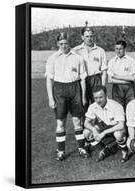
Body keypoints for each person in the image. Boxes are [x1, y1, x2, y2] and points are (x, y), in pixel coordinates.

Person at [45, 32, 88, 161]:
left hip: (75, 89)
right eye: (61, 43)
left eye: (66, 43)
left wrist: (84, 96)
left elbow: (83, 79)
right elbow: (49, 80)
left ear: (70, 43)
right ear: (58, 44)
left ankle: (81, 148)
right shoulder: (52, 58)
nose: (64, 46)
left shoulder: (78, 57)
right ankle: (61, 151)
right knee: (60, 122)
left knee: (77, 121)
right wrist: (51, 98)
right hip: (59, 90)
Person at [83, 85, 128, 163]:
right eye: (96, 98)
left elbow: (121, 125)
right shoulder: (93, 106)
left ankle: (125, 151)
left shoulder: (116, 106)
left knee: (118, 134)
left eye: (101, 97)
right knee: (86, 132)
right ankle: (104, 148)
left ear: (106, 96)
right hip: (104, 125)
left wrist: (103, 133)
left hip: (116, 127)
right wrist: (94, 130)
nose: (98, 100)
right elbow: (86, 123)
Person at [73, 27, 107, 109]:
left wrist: (102, 87)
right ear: (82, 37)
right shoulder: (76, 51)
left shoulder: (100, 51)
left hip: (96, 80)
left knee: (98, 106)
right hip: (81, 81)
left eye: (91, 36)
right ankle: (85, 122)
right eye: (87, 36)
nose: (89, 39)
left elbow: (104, 70)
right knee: (82, 105)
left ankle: (99, 122)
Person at [107, 40, 135, 109]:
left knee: (131, 108)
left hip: (129, 88)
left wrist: (117, 76)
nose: (118, 51)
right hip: (117, 88)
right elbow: (110, 80)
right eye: (116, 49)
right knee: (118, 109)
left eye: (120, 49)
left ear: (124, 49)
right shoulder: (112, 61)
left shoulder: (131, 60)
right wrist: (124, 81)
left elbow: (133, 78)